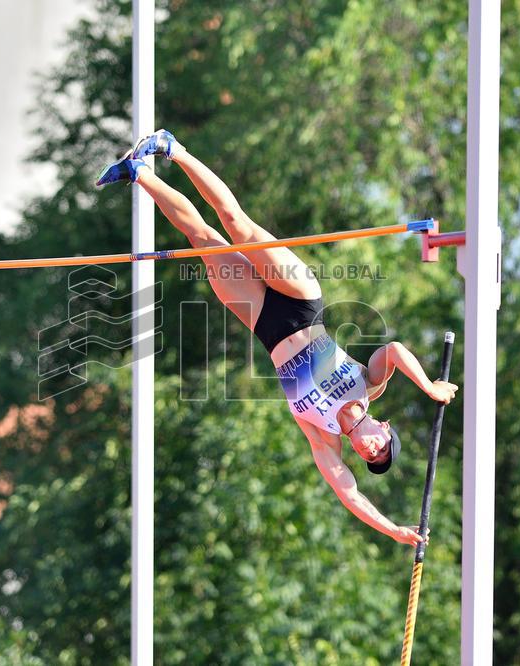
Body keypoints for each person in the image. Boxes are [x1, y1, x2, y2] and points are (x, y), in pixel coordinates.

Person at [96, 130, 457, 547]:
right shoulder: (369, 386)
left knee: (203, 241)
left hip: (266, 326)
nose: (372, 450)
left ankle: (138, 172)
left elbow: (350, 493)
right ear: (384, 425)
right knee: (238, 226)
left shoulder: (323, 437)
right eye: (382, 446)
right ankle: (172, 149)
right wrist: (429, 387)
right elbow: (393, 351)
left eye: (372, 457)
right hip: (301, 302)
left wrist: (393, 530)